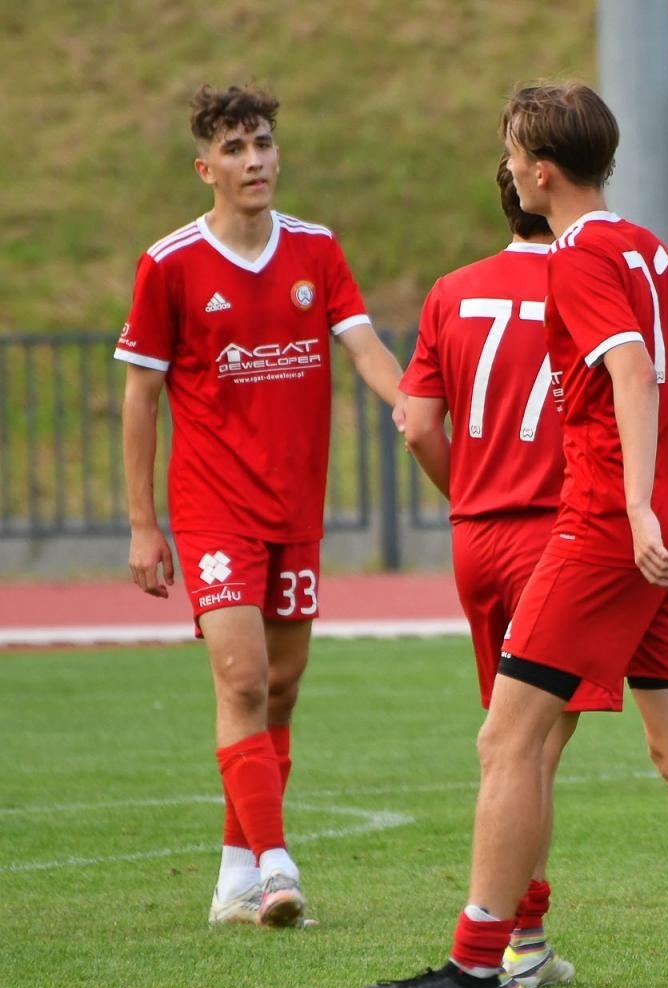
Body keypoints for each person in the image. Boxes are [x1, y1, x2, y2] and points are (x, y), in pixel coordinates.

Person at [361, 81, 668, 988]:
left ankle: (475, 967)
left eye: (508, 152)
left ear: (538, 172)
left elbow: (629, 376)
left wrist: (637, 514)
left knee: (510, 735)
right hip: (662, 532)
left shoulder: (576, 256)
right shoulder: (653, 251)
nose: (505, 168)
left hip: (604, 533)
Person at [118, 84, 405, 929]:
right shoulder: (169, 262)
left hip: (295, 509)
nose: (255, 162)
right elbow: (141, 398)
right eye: (236, 150)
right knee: (240, 679)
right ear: (204, 167)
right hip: (213, 509)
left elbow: (365, 346)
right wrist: (143, 523)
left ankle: (234, 876)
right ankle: (277, 866)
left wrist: (410, 403)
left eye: (265, 144)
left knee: (280, 688)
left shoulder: (316, 249)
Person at [399, 156, 626, 988]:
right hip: (559, 538)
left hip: (476, 539)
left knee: (513, 743)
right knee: (532, 749)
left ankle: (520, 940)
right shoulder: (588, 276)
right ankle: (517, 945)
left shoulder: (450, 290)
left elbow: (419, 425)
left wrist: (471, 494)